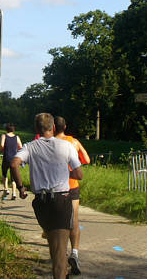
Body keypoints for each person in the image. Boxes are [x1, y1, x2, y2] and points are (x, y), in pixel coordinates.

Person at [10, 113, 83, 279]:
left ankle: (62, 274)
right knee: (60, 251)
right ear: (53, 128)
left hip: (40, 202)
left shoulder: (30, 146)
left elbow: (14, 164)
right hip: (61, 199)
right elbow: (79, 174)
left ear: (36, 129)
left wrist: (21, 187)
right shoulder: (66, 146)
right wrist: (64, 173)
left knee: (54, 245)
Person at [54, 116, 90, 276]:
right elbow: (87, 160)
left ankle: (61, 257)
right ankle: (75, 253)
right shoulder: (73, 142)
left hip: (55, 187)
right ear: (65, 127)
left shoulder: (48, 142)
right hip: (72, 184)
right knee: (74, 220)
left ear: (53, 127)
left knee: (58, 224)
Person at [0, 123, 22, 200]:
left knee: (4, 173)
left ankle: (6, 189)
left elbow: (2, 145)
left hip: (6, 157)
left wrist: (2, 150)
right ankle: (14, 193)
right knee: (13, 176)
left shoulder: (4, 136)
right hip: (14, 158)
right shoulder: (17, 137)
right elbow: (20, 146)